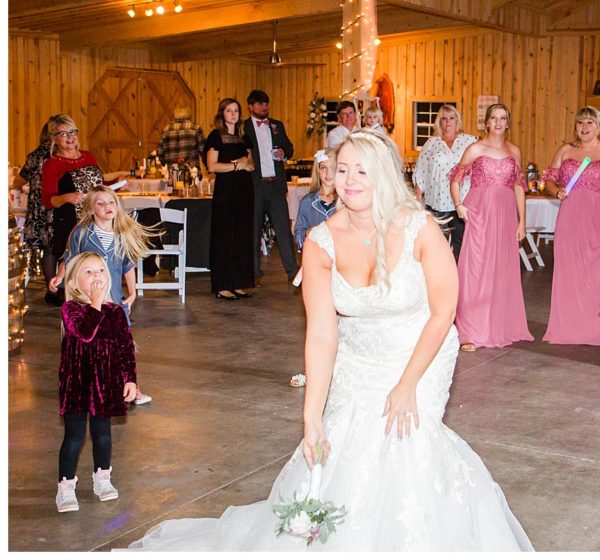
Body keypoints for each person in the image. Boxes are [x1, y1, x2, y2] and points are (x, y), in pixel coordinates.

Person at [127, 130, 533, 551]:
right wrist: (312, 415)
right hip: (359, 358)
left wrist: (408, 383)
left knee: (407, 442)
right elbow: (322, 333)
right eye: (342, 169)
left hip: (422, 351)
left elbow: (443, 311)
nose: (351, 179)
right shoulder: (320, 242)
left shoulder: (420, 227)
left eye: (362, 170)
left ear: (384, 176)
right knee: (346, 447)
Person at [47, 185, 160, 405]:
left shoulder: (122, 234)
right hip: (88, 299)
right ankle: (90, 385)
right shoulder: (81, 233)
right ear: (91, 209)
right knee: (93, 341)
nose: (107, 207)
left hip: (115, 298)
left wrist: (133, 291)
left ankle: (132, 387)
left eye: (111, 202)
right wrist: (60, 277)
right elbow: (69, 258)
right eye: (101, 203)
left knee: (123, 343)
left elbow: (128, 265)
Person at [55, 252, 138, 513]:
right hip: (76, 384)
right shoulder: (71, 310)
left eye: (100, 271)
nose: (96, 277)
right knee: (74, 437)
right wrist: (95, 303)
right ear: (73, 283)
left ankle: (102, 477)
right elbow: (84, 333)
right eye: (88, 272)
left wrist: (130, 380)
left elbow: (125, 348)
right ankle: (66, 486)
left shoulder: (115, 312)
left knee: (103, 436)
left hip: (105, 384)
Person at [448, 103, 531, 352]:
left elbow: (519, 187)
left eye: (502, 118)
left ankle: (499, 324)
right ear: (486, 122)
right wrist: (458, 205)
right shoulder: (475, 148)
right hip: (479, 214)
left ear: (508, 123)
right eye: (493, 118)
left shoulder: (514, 151)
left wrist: (522, 220)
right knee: (475, 269)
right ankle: (471, 331)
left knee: (500, 269)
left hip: (505, 216)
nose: (497, 122)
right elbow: (455, 179)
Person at [541, 107, 600, 346]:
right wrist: (556, 190)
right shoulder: (566, 150)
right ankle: (569, 326)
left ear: (599, 125)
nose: (584, 127)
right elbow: (549, 179)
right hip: (571, 218)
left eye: (590, 122)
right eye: (580, 123)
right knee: (571, 271)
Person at [41, 115, 105, 305]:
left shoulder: (88, 156)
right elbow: (47, 200)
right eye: (63, 134)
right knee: (73, 265)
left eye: (73, 132)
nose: (70, 138)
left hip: (95, 218)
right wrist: (68, 197)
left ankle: (101, 304)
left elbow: (99, 183)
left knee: (97, 262)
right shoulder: (52, 164)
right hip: (69, 221)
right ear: (54, 138)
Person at [244, 89, 299, 283]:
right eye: (259, 104)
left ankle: (293, 272)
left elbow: (290, 149)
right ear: (250, 107)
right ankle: (252, 272)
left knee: (284, 230)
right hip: (255, 186)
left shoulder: (277, 125)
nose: (263, 107)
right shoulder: (244, 128)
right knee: (253, 229)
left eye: (266, 104)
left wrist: (284, 153)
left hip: (276, 185)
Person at [204, 98, 256, 300]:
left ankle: (239, 283)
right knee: (224, 237)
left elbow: (251, 164)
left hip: (244, 189)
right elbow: (212, 166)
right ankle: (222, 285)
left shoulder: (244, 136)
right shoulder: (216, 136)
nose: (233, 114)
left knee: (242, 236)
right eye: (228, 110)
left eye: (236, 110)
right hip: (226, 190)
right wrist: (235, 166)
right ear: (222, 114)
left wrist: (245, 162)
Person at [412, 105, 476, 261]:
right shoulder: (431, 143)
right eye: (444, 118)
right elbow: (421, 171)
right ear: (438, 122)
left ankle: (459, 279)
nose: (448, 122)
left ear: (457, 121)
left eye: (451, 118)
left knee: (460, 243)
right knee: (436, 243)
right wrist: (418, 199)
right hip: (436, 202)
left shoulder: (469, 141)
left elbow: (478, 168)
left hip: (461, 202)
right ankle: (439, 277)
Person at [19, 119, 58, 287]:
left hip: (39, 206)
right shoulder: (63, 154)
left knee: (48, 248)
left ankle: (52, 288)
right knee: (62, 246)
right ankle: (64, 288)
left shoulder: (34, 156)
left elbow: (18, 181)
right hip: (58, 203)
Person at [292, 148, 339, 253]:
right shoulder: (307, 202)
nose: (328, 173)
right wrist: (307, 237)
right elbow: (299, 231)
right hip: (315, 257)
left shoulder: (345, 201)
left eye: (333, 168)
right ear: (317, 170)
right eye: (323, 168)